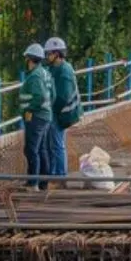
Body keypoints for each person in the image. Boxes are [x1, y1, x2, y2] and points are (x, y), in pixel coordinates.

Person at [44, 37, 80, 183]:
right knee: (53, 143)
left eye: (49, 54)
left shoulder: (64, 70)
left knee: (58, 144)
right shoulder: (54, 68)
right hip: (55, 112)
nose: (47, 57)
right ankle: (54, 173)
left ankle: (60, 175)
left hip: (61, 113)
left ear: (57, 54)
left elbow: (63, 97)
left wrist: (51, 108)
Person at [18, 44, 53, 189]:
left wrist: (29, 110)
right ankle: (43, 182)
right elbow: (53, 95)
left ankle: (33, 183)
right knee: (41, 149)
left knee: (31, 149)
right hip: (45, 116)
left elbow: (38, 97)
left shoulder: (35, 76)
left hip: (36, 117)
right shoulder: (45, 73)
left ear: (30, 59)